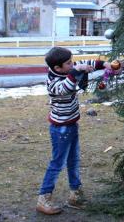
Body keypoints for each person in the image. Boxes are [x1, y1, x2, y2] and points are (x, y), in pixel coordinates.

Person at [36, 46, 111, 215]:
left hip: (71, 124)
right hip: (60, 129)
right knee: (57, 163)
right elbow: (66, 87)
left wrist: (104, 64)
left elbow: (86, 63)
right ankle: (43, 198)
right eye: (69, 63)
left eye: (72, 61)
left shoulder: (65, 69)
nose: (73, 64)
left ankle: (75, 195)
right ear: (58, 68)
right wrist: (77, 70)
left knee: (73, 161)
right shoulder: (53, 83)